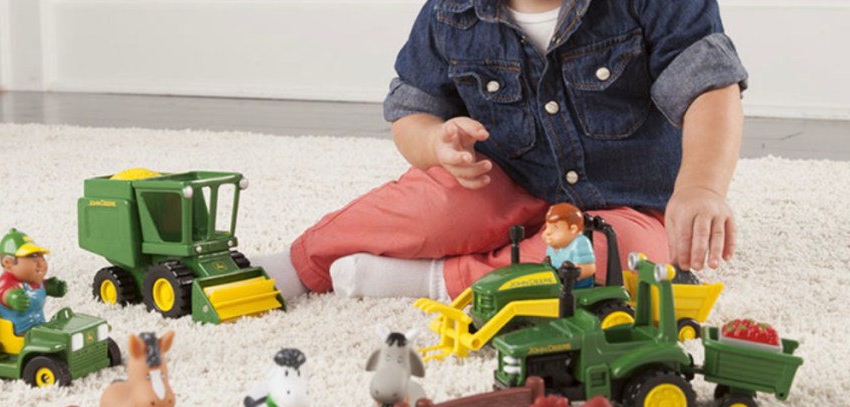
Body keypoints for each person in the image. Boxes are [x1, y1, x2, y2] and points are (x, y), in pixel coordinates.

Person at [254, 0, 746, 302]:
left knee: (628, 263)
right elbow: (411, 110)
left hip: (622, 202)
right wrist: (435, 143)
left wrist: (701, 187)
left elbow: (710, 90)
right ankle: (305, 263)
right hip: (505, 179)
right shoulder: (451, 11)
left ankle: (441, 280)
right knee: (430, 206)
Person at [0, 228, 67, 335]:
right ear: (8, 263)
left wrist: (52, 288)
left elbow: (40, 288)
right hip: (20, 333)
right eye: (33, 259)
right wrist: (12, 297)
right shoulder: (6, 283)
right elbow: (3, 293)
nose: (40, 264)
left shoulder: (32, 281)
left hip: (39, 328)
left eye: (42, 259)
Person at [543, 203, 595, 289]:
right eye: (547, 227)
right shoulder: (555, 243)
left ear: (572, 229)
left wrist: (571, 272)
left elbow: (589, 269)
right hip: (558, 280)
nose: (547, 232)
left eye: (555, 228)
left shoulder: (580, 243)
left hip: (575, 284)